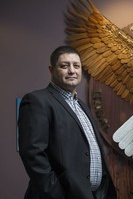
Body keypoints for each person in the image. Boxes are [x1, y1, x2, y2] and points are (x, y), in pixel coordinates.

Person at [18, 46, 117, 199]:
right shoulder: (37, 101)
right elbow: (32, 153)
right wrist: (57, 194)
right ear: (51, 70)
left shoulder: (82, 106)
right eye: (64, 66)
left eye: (76, 66)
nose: (72, 70)